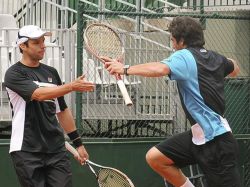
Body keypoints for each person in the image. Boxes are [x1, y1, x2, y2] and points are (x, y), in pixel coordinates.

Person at [101, 16, 241, 187]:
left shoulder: (183, 56)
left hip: (217, 143)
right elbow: (235, 68)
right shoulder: (215, 58)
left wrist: (124, 69)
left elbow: (160, 68)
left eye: (173, 40)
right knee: (155, 158)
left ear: (181, 41)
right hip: (199, 136)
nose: (172, 44)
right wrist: (221, 64)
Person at [4, 25, 95, 187]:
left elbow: (62, 111)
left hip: (57, 150)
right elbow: (38, 94)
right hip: (26, 150)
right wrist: (71, 86)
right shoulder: (13, 74)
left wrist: (79, 145)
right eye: (36, 42)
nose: (43, 45)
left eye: (43, 41)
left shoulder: (51, 72)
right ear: (22, 46)